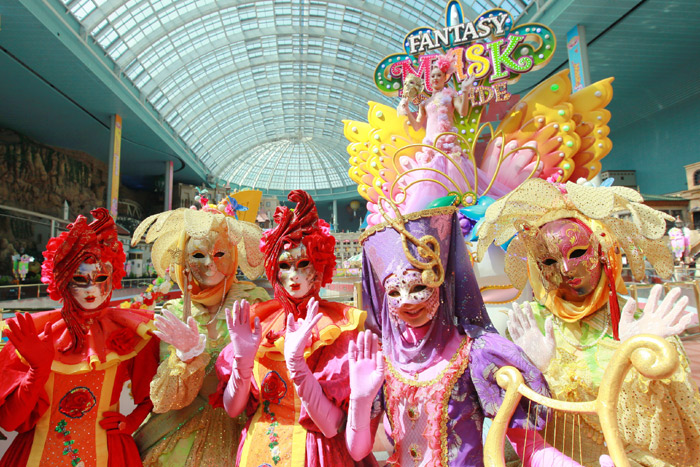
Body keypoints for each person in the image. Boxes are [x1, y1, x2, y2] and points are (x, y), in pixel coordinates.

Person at [350, 203, 595, 466]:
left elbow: (529, 446)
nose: (408, 302)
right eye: (395, 292)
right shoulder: (380, 359)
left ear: (442, 286)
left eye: (419, 287)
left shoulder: (477, 353)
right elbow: (357, 451)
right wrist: (360, 400)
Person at [477, 178, 700, 466]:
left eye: (578, 253)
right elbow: (515, 425)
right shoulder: (529, 324)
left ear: (604, 252)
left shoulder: (641, 323)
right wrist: (535, 373)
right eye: (549, 261)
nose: (567, 269)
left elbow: (672, 435)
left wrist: (639, 360)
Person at [213, 190, 375, 466]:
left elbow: (331, 425)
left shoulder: (337, 329)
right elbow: (233, 409)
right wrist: (242, 362)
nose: (294, 275)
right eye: (285, 265)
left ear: (320, 266)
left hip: (316, 454)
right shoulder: (260, 324)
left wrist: (298, 366)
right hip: (258, 450)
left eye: (303, 264)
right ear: (274, 270)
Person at [0, 208, 159, 466]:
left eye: (100, 278)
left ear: (114, 276)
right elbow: (8, 421)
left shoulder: (128, 332)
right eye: (79, 279)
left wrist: (132, 421)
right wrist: (36, 371)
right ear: (61, 280)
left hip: (109, 453)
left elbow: (150, 394)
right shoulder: (34, 334)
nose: (91, 289)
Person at [130, 202, 269, 466]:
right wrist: (185, 355)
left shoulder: (253, 301)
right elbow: (168, 399)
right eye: (197, 255)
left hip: (244, 422)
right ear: (183, 258)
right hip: (180, 426)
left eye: (219, 254)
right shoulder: (176, 310)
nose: (208, 264)